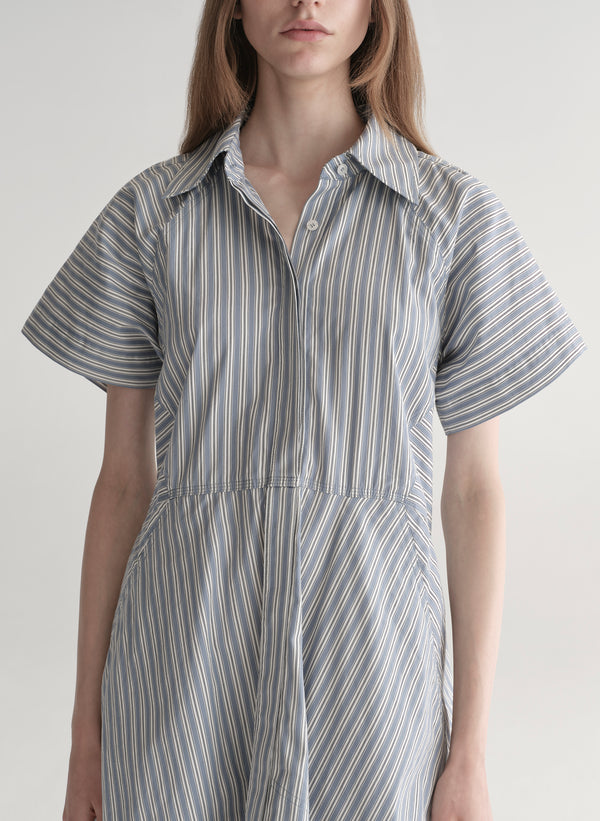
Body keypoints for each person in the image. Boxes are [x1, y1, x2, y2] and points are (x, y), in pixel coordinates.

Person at [21, 1, 586, 819]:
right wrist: (87, 745)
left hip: (373, 672)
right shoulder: (153, 218)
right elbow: (121, 482)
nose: (306, 2)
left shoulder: (452, 222)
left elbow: (472, 492)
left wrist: (470, 751)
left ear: (376, 15)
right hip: (184, 670)